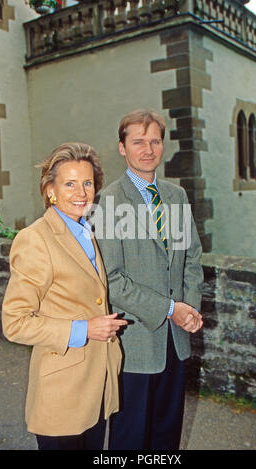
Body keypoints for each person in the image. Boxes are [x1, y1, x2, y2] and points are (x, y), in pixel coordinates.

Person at [2, 142, 127, 450]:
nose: (81, 193)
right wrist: (84, 329)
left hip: (95, 384)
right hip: (62, 392)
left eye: (87, 183)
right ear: (50, 190)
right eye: (69, 184)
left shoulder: (84, 230)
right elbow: (15, 323)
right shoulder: (35, 240)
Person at [96, 109, 203, 450]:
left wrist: (189, 311)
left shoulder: (176, 196)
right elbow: (110, 279)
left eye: (155, 140)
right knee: (131, 438)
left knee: (166, 436)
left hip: (176, 341)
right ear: (121, 148)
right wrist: (172, 308)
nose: (148, 149)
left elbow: (193, 260)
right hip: (135, 344)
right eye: (138, 141)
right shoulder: (109, 201)